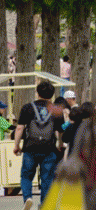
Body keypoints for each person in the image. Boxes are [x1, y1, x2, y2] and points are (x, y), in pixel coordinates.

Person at [13, 80, 64, 210]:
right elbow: (60, 131)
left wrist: (16, 146)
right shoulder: (56, 110)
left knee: (26, 175)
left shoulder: (27, 107)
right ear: (52, 95)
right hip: (49, 149)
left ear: (37, 93)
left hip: (30, 148)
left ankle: (28, 198)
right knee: (47, 178)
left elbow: (19, 128)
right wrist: (60, 145)